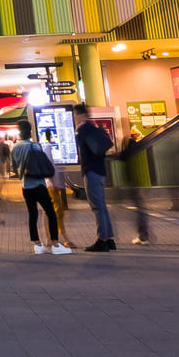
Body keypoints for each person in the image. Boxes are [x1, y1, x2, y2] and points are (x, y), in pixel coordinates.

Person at [9, 122, 72, 255]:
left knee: (33, 215)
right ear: (30, 132)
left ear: (19, 133)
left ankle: (37, 244)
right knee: (51, 213)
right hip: (39, 185)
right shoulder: (35, 146)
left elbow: (14, 168)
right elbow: (43, 165)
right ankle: (55, 244)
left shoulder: (15, 148)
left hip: (25, 186)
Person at [73, 104, 116, 252]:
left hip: (91, 171)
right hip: (101, 171)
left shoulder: (83, 130)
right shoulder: (95, 128)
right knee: (102, 206)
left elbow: (82, 150)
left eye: (76, 115)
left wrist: (77, 132)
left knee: (97, 207)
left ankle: (102, 241)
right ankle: (109, 239)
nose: (75, 118)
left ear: (81, 116)